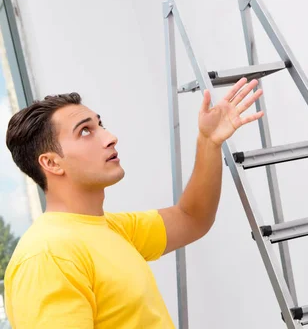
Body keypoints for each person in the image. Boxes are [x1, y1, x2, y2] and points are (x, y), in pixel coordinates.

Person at [3, 77, 263, 328]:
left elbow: (191, 219)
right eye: (85, 131)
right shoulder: (48, 257)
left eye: (100, 124)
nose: (110, 137)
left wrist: (208, 142)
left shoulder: (110, 228)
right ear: (51, 163)